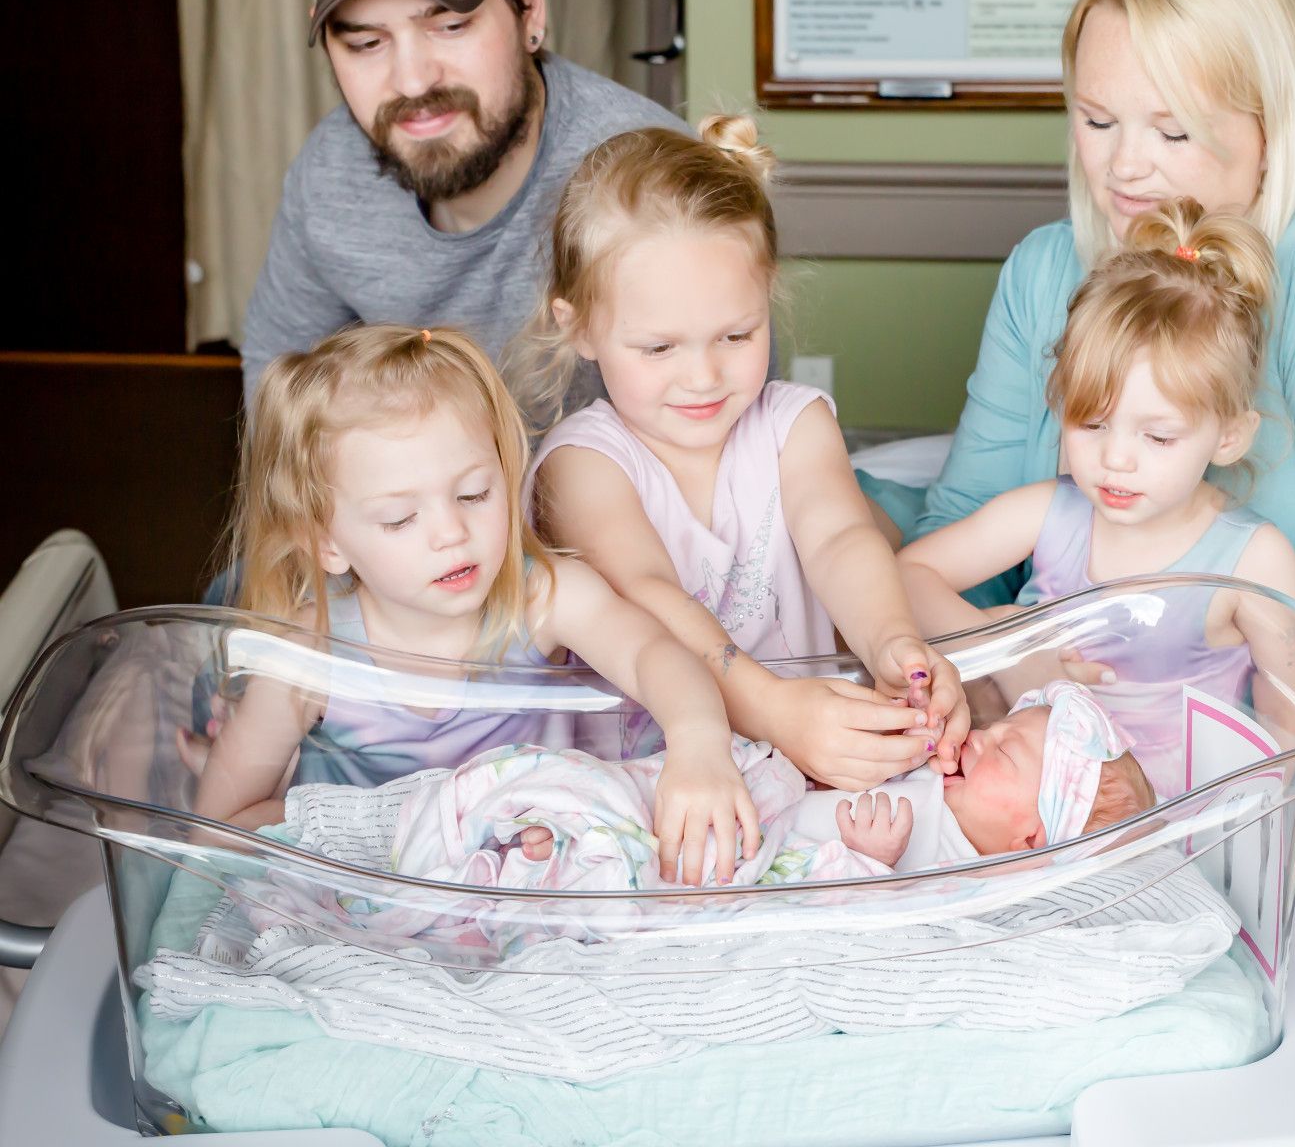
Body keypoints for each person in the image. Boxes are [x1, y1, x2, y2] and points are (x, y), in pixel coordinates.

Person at [867, 0, 1295, 1041]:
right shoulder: (1048, 271)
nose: (1125, 168)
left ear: (1268, 125)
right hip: (1059, 750)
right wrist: (997, 680)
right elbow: (959, 540)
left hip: (1284, 768)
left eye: (1172, 130)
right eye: (1097, 120)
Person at [192, 324, 760, 887]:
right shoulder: (311, 652)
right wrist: (402, 827)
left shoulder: (541, 597)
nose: (451, 533)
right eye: (400, 519)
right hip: (375, 895)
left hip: (528, 882)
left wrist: (699, 745)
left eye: (474, 494)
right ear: (326, 543)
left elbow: (653, 653)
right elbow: (215, 827)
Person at [516, 115, 969, 791]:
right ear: (578, 327)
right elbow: (648, 595)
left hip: (816, 764)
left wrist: (893, 643)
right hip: (655, 780)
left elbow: (841, 539)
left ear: (767, 294)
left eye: (736, 335)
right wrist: (776, 711)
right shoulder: (582, 465)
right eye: (659, 347)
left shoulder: (795, 424)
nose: (703, 377)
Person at [898, 197, 1295, 889]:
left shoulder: (1251, 560)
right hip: (1020, 816)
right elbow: (904, 576)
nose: (1115, 460)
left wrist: (1292, 840)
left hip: (1173, 831)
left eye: (1157, 436)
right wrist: (1009, 648)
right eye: (1091, 424)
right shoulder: (1052, 513)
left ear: (1228, 435)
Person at [241, 0, 684, 407]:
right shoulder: (329, 177)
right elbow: (280, 390)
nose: (413, 81)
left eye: (450, 26)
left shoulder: (653, 178)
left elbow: (727, 433)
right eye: (367, 43)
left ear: (529, 5)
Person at [391, 682, 1154, 893]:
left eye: (1006, 755)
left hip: (734, 866)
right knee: (608, 791)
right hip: (731, 800)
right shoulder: (943, 778)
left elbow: (883, 935)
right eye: (1000, 727)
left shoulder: (967, 874)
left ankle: (529, 862)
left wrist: (868, 865)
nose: (982, 736)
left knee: (633, 871)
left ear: (1029, 837)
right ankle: (520, 821)